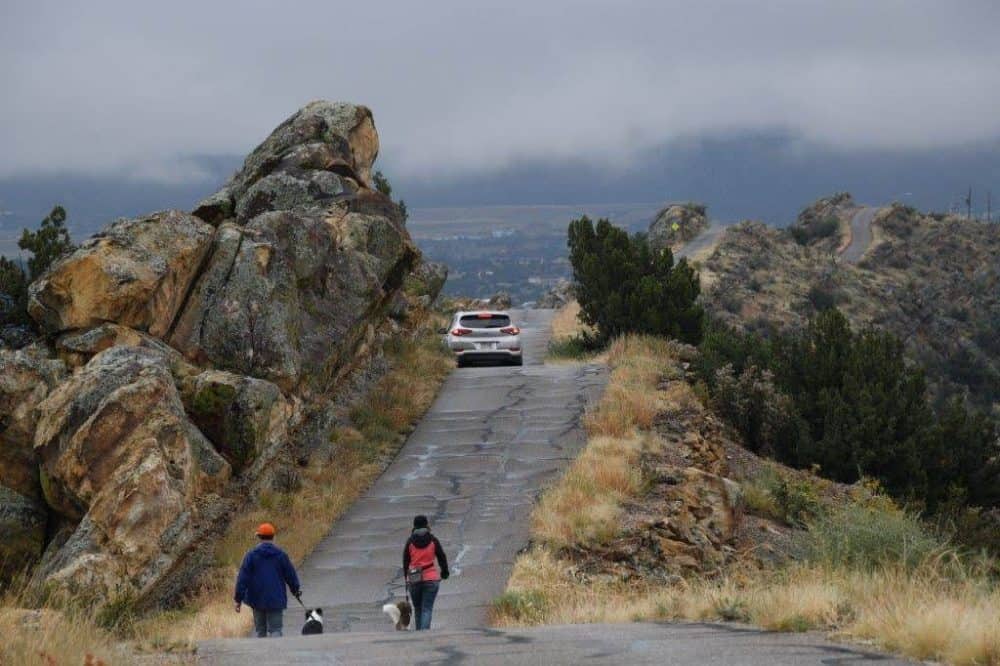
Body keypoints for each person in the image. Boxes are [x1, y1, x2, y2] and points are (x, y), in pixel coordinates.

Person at [234, 522, 302, 638]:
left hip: (256, 599)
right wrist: (295, 590)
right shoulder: (281, 555)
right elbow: (290, 575)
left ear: (259, 537)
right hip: (276, 599)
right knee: (276, 630)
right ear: (273, 537)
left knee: (261, 632)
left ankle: (263, 655)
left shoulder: (251, 556)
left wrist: (238, 599)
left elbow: (242, 579)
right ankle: (277, 654)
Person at [402, 515, 449, 630]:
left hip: (414, 577)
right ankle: (425, 635)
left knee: (418, 608)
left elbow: (405, 561)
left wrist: (406, 578)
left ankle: (419, 636)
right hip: (431, 577)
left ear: (414, 526)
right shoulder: (433, 540)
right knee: (427, 608)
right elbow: (442, 556)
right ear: (426, 525)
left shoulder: (410, 542)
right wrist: (444, 572)